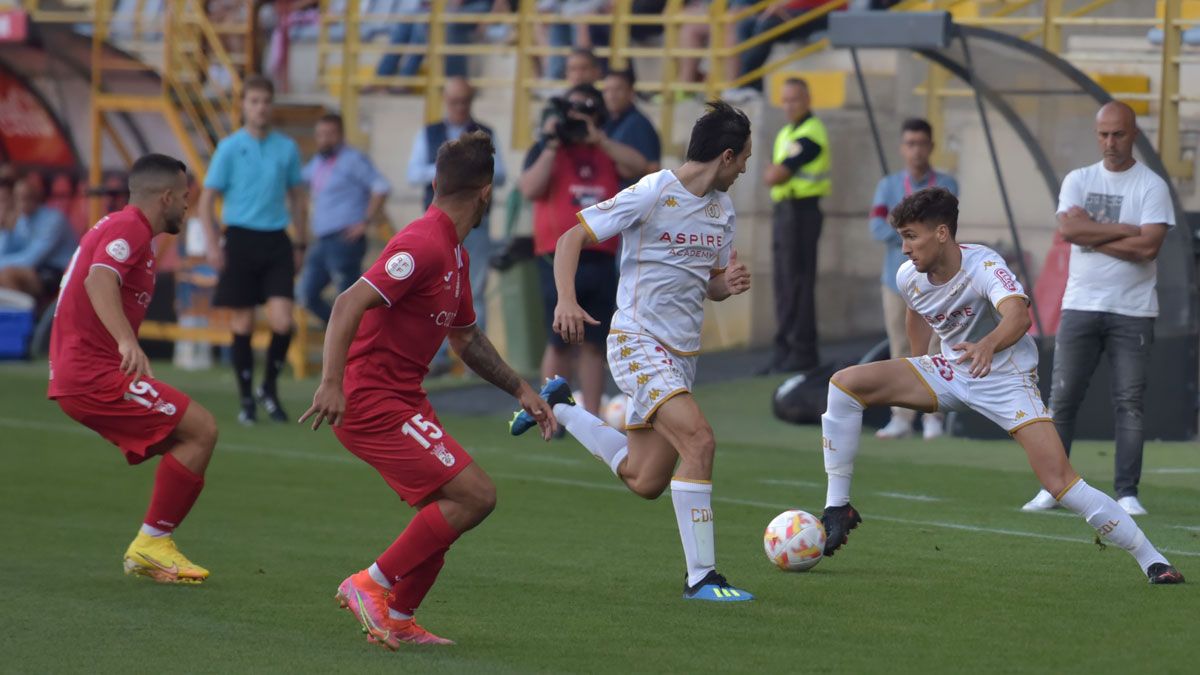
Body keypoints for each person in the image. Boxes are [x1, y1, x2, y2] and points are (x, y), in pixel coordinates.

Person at [814, 187, 1183, 585]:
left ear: (941, 233)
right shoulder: (910, 275)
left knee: (1060, 483)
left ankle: (1153, 560)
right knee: (845, 385)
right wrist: (918, 363)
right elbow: (916, 313)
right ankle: (838, 508)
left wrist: (988, 345)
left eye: (911, 236)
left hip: (1007, 380)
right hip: (951, 373)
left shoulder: (984, 264)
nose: (904, 248)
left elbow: (1019, 317)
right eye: (902, 237)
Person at [300, 131, 557, 648]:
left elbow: (466, 339)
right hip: (369, 399)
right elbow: (347, 303)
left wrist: (520, 389)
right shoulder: (420, 244)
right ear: (486, 192)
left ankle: (397, 617)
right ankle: (369, 583)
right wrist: (331, 383)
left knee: (449, 503)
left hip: (402, 399)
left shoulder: (454, 254)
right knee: (476, 495)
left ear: (437, 183)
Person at [511, 101, 758, 601]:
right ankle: (702, 577)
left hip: (682, 355)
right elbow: (569, 238)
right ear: (727, 156)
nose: (747, 169)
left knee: (645, 480)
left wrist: (724, 284)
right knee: (701, 442)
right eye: (745, 159)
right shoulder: (653, 191)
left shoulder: (722, 210)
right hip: (637, 342)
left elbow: (705, 284)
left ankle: (560, 404)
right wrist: (566, 299)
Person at [47, 154, 219, 585]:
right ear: (165, 197)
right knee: (200, 429)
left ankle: (152, 546)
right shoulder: (129, 229)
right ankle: (151, 544)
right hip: (92, 374)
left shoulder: (121, 228)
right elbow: (98, 280)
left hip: (86, 372)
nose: (186, 205)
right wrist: (127, 341)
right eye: (183, 197)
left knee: (189, 435)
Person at [1021, 102, 1174, 516]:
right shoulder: (1078, 179)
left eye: (1118, 134)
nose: (1110, 142)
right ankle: (1053, 488)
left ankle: (1127, 492)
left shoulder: (1151, 186)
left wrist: (1094, 234)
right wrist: (1124, 229)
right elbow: (1068, 229)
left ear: (1134, 135)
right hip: (1080, 306)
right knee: (1062, 399)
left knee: (1129, 402)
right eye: (1104, 134)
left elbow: (1149, 247)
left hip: (1134, 310)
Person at [519, 83, 648, 414]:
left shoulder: (605, 148)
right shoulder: (549, 148)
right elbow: (530, 187)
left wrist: (599, 139)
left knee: (595, 342)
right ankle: (553, 412)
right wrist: (550, 144)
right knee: (559, 339)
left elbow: (639, 167)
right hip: (557, 257)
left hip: (600, 257)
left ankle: (593, 415)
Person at [199, 75, 307, 426]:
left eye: (266, 101)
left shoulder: (286, 148)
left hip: (276, 238)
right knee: (242, 323)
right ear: (244, 105)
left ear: (272, 105)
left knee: (282, 321)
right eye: (254, 101)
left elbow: (298, 197)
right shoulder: (230, 147)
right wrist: (213, 244)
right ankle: (246, 399)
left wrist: (301, 241)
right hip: (241, 238)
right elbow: (207, 200)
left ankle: (269, 387)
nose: (261, 107)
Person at [869, 118, 958, 440]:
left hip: (937, 281)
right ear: (902, 148)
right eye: (910, 144)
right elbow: (876, 227)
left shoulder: (946, 183)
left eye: (921, 143)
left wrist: (910, 233)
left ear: (931, 146)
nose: (916, 150)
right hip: (896, 280)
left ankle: (932, 417)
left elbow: (946, 230)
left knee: (935, 348)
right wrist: (920, 235)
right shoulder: (888, 185)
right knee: (900, 347)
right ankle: (902, 417)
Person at [408, 76, 506, 336]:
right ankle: (435, 355)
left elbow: (503, 173)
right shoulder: (428, 133)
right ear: (445, 101)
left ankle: (475, 358)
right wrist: (457, 170)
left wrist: (454, 172)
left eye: (464, 101)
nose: (459, 107)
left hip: (476, 224)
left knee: (475, 288)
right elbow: (413, 173)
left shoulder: (486, 133)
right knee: (434, 287)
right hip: (437, 225)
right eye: (454, 101)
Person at [760, 78, 829, 374]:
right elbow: (773, 173)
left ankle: (800, 350)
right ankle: (786, 348)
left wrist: (775, 173)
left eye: (795, 99)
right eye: (785, 100)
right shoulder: (789, 132)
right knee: (785, 283)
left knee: (797, 284)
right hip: (786, 212)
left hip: (801, 212)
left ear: (808, 100)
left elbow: (777, 175)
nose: (789, 105)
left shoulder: (810, 134)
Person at [299, 112, 390, 324]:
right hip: (322, 240)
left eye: (330, 134)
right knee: (306, 294)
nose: (324, 139)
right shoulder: (318, 162)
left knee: (348, 299)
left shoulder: (352, 159)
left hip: (344, 239)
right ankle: (343, 337)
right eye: (320, 134)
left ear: (341, 135)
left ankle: (352, 342)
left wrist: (365, 221)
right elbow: (299, 180)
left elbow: (381, 187)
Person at [0, 175, 78, 299]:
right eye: (18, 198)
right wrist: (5, 230)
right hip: (37, 270)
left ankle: (28, 316)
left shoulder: (54, 220)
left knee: (7, 275)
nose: (21, 203)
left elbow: (31, 259)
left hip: (59, 272)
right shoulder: (21, 219)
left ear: (37, 198)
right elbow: (5, 252)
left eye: (26, 198)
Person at [602, 68, 661, 189]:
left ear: (631, 92)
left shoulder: (638, 124)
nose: (611, 96)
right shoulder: (609, 121)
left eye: (618, 89)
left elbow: (653, 168)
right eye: (607, 90)